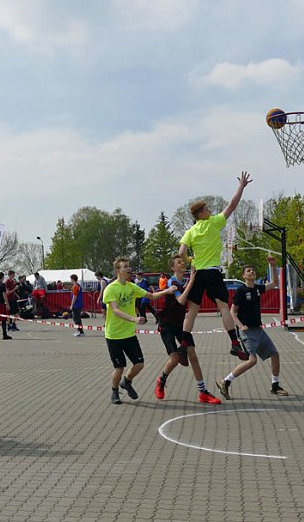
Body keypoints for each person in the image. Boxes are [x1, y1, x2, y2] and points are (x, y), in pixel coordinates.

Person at [179, 172, 252, 360]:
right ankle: (234, 343)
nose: (210, 210)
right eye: (207, 208)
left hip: (197, 274)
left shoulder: (190, 231)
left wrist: (190, 262)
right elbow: (232, 206)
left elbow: (180, 253)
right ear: (202, 214)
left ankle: (184, 343)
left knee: (192, 311)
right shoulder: (212, 223)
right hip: (212, 272)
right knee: (223, 307)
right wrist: (241, 187)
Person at [103, 257, 174, 404]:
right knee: (119, 368)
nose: (129, 269)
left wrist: (167, 290)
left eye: (129, 266)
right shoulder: (111, 288)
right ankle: (114, 391)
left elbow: (152, 296)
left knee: (139, 364)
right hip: (114, 336)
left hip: (129, 335)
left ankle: (127, 382)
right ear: (118, 270)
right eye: (125, 267)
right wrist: (134, 319)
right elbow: (115, 310)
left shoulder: (132, 287)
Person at [216, 256, 289, 400]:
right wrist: (240, 326)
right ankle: (225, 381)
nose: (251, 272)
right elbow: (232, 312)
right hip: (247, 331)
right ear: (243, 275)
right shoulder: (241, 291)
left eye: (253, 271)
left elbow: (274, 283)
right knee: (252, 361)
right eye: (248, 271)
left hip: (259, 330)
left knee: (275, 355)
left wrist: (273, 265)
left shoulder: (257, 289)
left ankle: (275, 386)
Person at [155, 256, 221, 404]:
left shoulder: (184, 282)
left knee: (192, 354)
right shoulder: (172, 282)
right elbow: (181, 300)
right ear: (173, 268)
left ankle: (203, 392)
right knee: (175, 358)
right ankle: (161, 380)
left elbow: (190, 301)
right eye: (179, 262)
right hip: (166, 325)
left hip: (180, 325)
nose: (182, 263)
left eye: (183, 261)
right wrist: (191, 281)